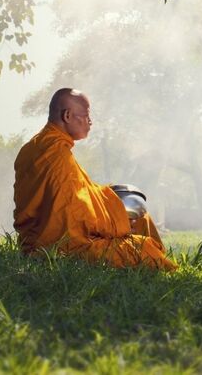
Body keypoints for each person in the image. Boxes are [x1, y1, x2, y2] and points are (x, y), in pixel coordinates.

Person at [13, 88, 175, 271]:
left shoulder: (35, 146)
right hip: (59, 249)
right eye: (85, 115)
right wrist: (117, 221)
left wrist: (110, 199)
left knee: (138, 214)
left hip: (34, 241)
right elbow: (71, 216)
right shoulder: (56, 154)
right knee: (144, 248)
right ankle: (159, 261)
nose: (90, 122)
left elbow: (74, 196)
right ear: (67, 116)